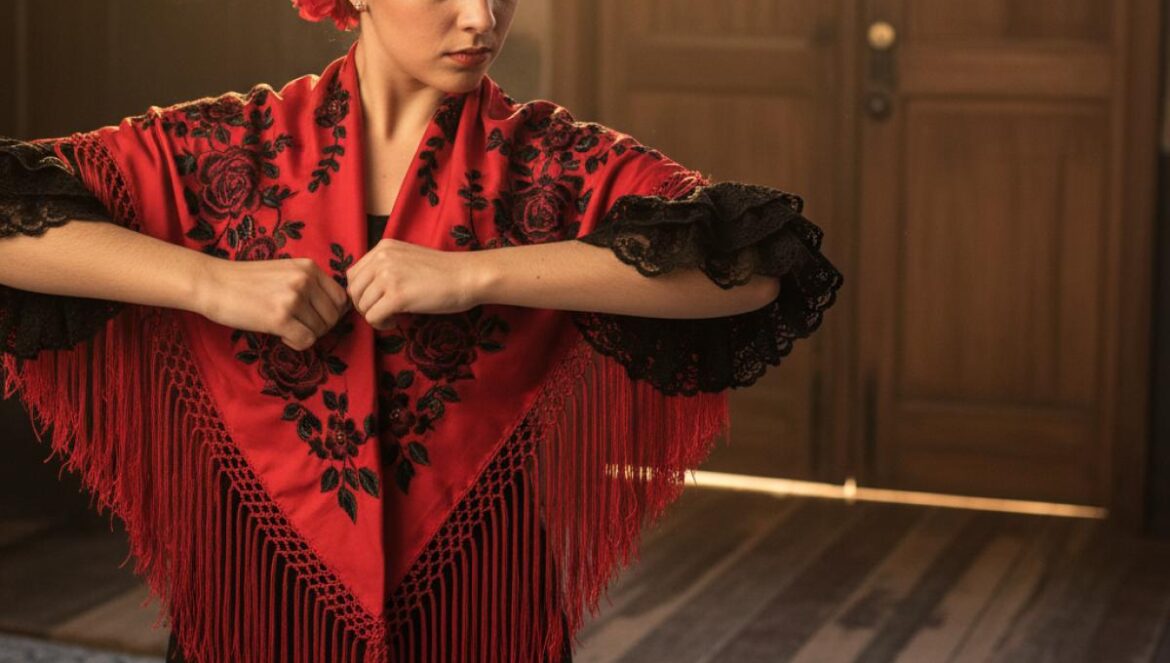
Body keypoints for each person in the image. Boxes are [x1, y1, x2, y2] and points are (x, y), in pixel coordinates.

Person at [0, 0, 844, 661]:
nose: (483, 19)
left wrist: (477, 272)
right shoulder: (227, 151)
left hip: (479, 597)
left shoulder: (553, 160)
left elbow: (755, 264)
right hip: (255, 600)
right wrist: (207, 283)